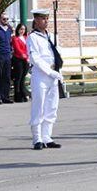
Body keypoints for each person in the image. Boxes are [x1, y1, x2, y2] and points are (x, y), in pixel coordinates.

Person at [27, 9, 63, 150]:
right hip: (41, 75)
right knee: (39, 106)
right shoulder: (33, 37)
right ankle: (37, 138)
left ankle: (47, 136)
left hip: (54, 73)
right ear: (36, 20)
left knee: (52, 107)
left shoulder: (52, 36)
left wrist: (58, 71)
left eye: (47, 18)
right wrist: (49, 72)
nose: (46, 21)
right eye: (43, 18)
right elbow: (35, 58)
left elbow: (58, 53)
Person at [11, 23, 29, 103]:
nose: (22, 31)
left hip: (26, 59)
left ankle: (23, 94)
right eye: (21, 29)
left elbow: (29, 48)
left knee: (23, 78)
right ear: (18, 30)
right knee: (18, 78)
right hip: (18, 60)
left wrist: (28, 57)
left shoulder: (26, 37)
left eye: (23, 29)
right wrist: (24, 56)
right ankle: (17, 96)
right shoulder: (15, 38)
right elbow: (17, 49)